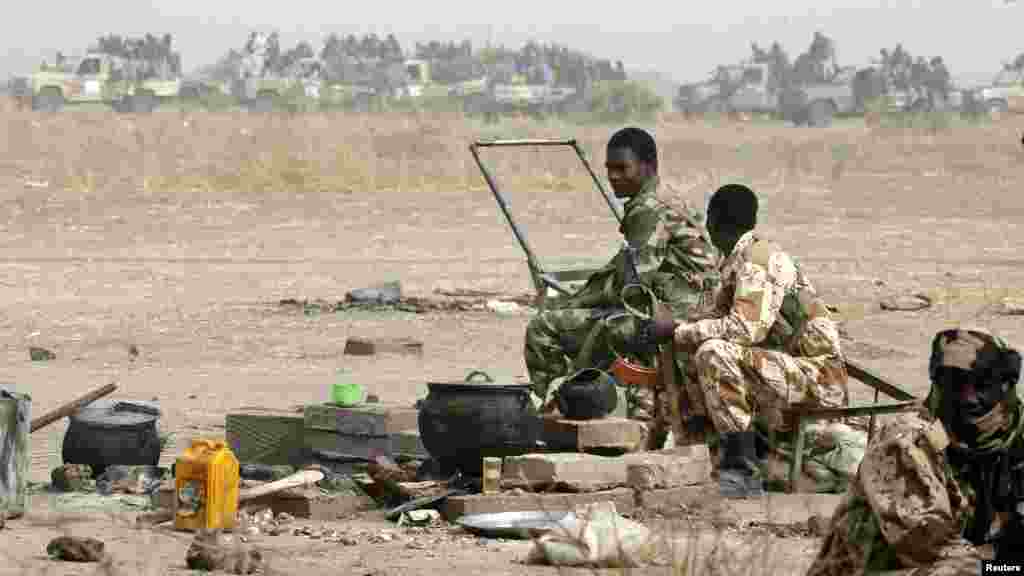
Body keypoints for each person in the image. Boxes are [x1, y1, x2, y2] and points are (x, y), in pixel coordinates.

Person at [647, 183, 850, 497]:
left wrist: (677, 329)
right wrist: (675, 329)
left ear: (713, 223)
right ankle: (702, 456)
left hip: (819, 378)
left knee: (713, 352)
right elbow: (713, 319)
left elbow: (743, 330)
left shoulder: (757, 261)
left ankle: (741, 472)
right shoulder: (739, 260)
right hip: (789, 369)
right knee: (687, 348)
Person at [523, 127, 719, 449]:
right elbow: (623, 271)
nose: (613, 177)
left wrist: (570, 307)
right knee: (566, 318)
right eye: (609, 169)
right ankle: (575, 409)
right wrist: (573, 301)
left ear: (648, 166)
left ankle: (561, 411)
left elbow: (633, 287)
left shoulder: (649, 208)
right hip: (678, 307)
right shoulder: (660, 199)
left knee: (550, 329)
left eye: (621, 168)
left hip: (674, 316)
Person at [805, 327, 1023, 575]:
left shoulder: (1014, 435)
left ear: (1005, 386)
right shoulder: (907, 442)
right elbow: (940, 556)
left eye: (982, 384)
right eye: (956, 384)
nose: (969, 398)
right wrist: (1008, 567)